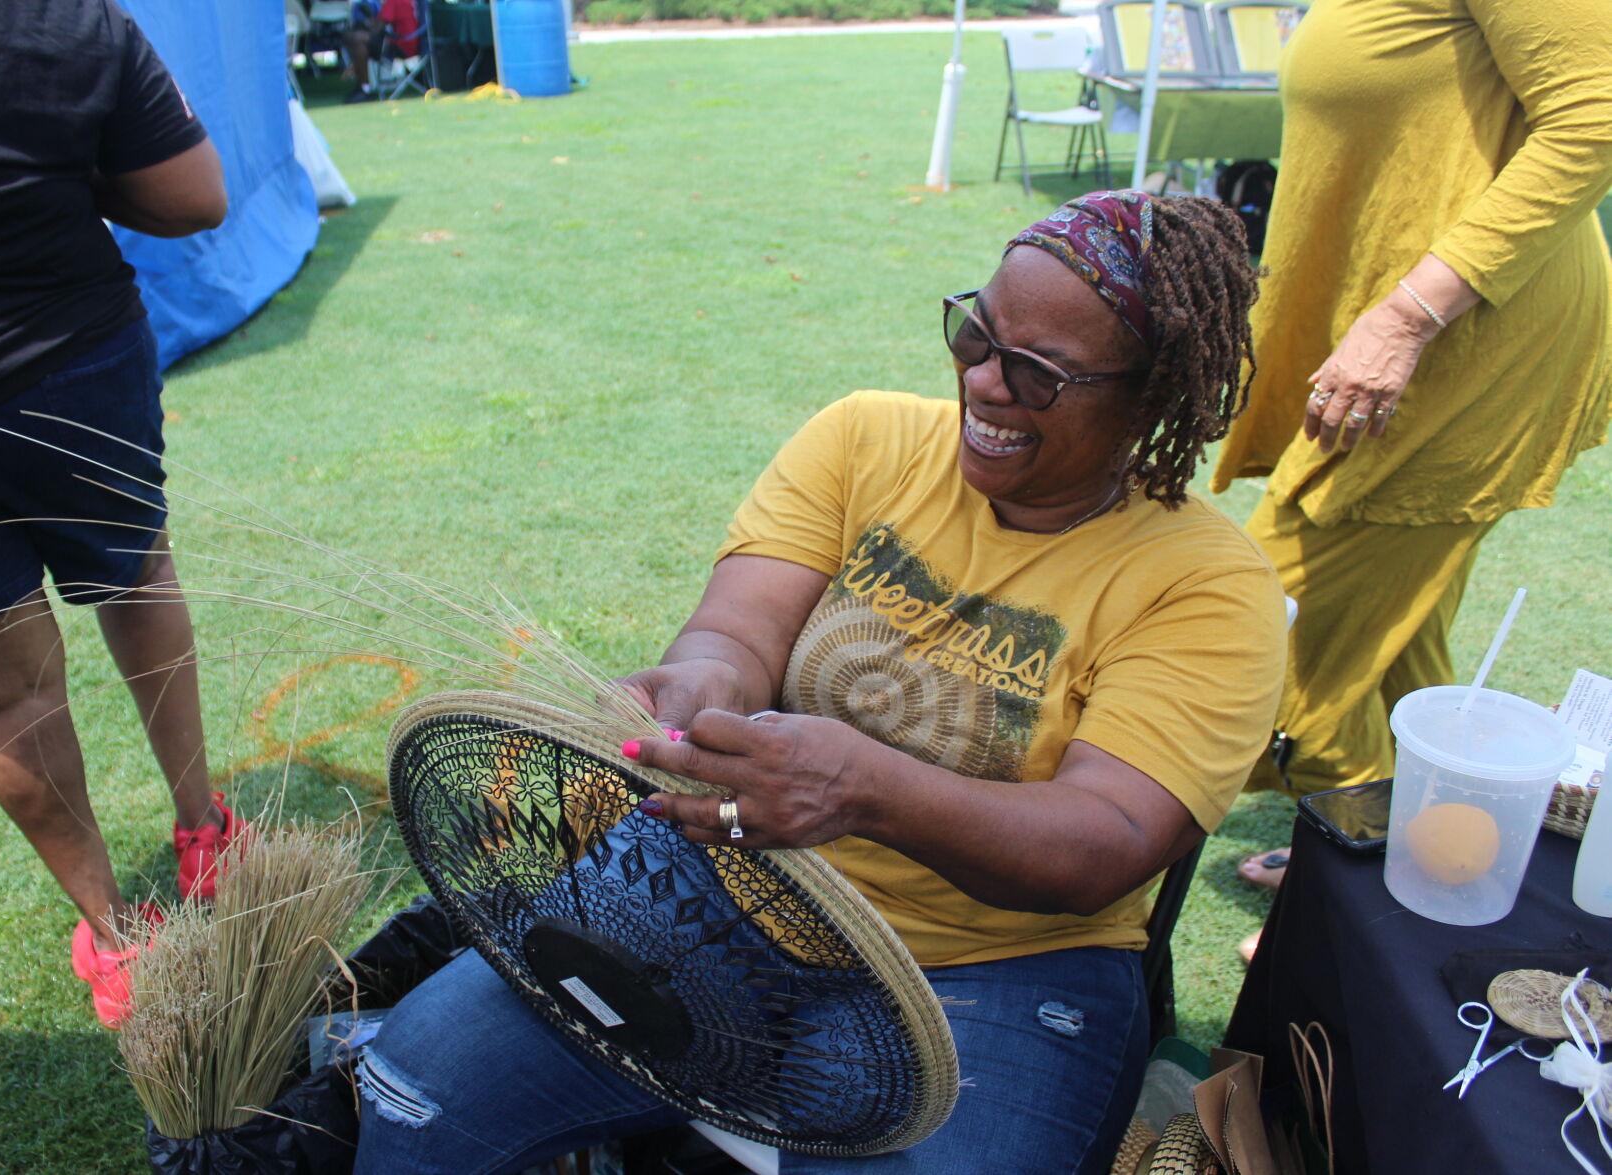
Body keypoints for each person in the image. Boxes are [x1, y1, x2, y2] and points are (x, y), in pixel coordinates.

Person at [352, 192, 1288, 1173]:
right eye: (973, 331)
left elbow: (1109, 839)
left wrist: (869, 791)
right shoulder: (865, 439)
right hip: (722, 878)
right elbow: (735, 629)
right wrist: (695, 686)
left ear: (1145, 399)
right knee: (417, 1088)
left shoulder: (1206, 585)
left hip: (996, 971)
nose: (981, 380)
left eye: (1034, 372)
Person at [0, 0, 243, 1028]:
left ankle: (116, 939)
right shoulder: (62, 20)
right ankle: (202, 830)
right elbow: (194, 196)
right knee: (135, 575)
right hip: (69, 362)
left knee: (2, 697)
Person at [1212, 0, 1612, 929]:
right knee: (1392, 632)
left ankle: (1352, 904)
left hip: (1457, 347)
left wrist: (1403, 319)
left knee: (1268, 622)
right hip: (1416, 342)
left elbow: (1596, 109)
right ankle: (1429, 845)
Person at [344, 0, 422, 103]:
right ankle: (363, 86)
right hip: (414, 44)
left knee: (356, 39)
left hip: (402, 46)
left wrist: (368, 24)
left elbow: (377, 28)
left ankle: (364, 88)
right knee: (356, 39)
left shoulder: (394, 1)